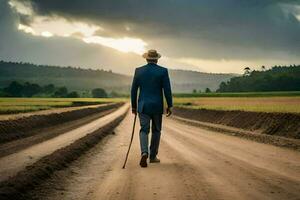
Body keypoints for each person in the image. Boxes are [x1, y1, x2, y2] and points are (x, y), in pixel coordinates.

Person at [131, 49, 173, 168]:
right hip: (157, 106)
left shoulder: (139, 71)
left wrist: (134, 106)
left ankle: (144, 152)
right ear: (157, 59)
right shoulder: (163, 71)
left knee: (144, 130)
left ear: (146, 58)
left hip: (143, 106)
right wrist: (170, 105)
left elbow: (134, 90)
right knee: (156, 130)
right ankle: (153, 156)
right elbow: (167, 90)